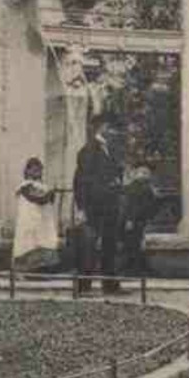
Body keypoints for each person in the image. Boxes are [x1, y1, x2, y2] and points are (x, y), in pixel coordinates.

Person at [73, 113, 124, 294]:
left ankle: (109, 284)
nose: (114, 132)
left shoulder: (108, 149)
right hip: (95, 205)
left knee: (109, 245)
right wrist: (82, 208)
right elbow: (82, 181)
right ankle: (84, 285)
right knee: (89, 245)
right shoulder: (88, 150)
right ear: (101, 128)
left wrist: (116, 183)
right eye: (110, 128)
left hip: (109, 205)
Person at [12, 157, 59, 272]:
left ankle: (43, 268)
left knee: (44, 242)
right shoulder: (25, 186)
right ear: (27, 171)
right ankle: (27, 269)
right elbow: (37, 198)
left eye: (39, 170)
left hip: (43, 221)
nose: (37, 172)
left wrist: (50, 194)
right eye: (34, 169)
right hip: (31, 221)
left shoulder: (42, 186)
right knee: (30, 243)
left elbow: (48, 199)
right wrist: (49, 194)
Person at [120, 165, 158, 276]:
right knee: (134, 245)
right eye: (144, 173)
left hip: (138, 220)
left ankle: (136, 268)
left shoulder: (143, 186)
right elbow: (131, 205)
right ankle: (134, 269)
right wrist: (130, 220)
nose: (147, 175)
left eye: (147, 173)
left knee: (135, 244)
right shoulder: (135, 187)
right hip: (135, 220)